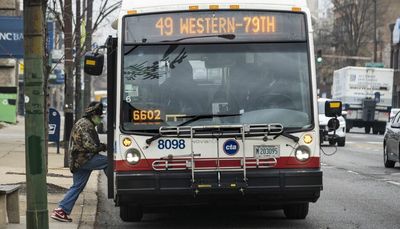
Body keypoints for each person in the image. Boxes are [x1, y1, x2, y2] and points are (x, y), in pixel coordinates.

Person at [50, 102, 108, 222]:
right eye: (99, 116)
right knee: (109, 161)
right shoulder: (86, 125)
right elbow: (90, 146)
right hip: (84, 159)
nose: (100, 119)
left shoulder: (84, 123)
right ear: (93, 115)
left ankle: (61, 211)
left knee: (77, 186)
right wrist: (104, 147)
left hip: (78, 161)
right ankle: (115, 186)